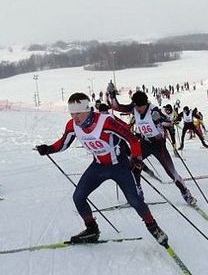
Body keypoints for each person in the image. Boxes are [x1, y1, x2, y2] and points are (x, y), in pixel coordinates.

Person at [35, 92, 169, 246]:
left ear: (88, 109)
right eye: (72, 113)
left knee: (135, 201)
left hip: (120, 166)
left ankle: (154, 228)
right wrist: (48, 149)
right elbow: (63, 143)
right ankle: (92, 229)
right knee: (78, 197)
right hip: (98, 166)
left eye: (78, 113)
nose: (75, 117)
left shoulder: (106, 122)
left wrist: (137, 158)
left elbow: (132, 139)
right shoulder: (72, 125)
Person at [108, 89, 197, 205]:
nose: (138, 110)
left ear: (146, 103)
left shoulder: (154, 110)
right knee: (133, 166)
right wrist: (112, 96)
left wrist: (160, 121)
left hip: (158, 144)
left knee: (171, 172)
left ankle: (186, 193)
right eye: (137, 107)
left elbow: (170, 122)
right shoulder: (134, 108)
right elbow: (117, 107)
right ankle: (138, 194)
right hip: (144, 143)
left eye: (141, 107)